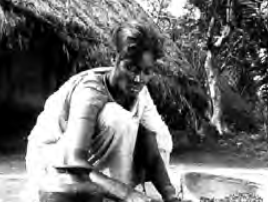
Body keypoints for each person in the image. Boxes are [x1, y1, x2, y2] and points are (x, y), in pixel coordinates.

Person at [24, 20, 179, 202]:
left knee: (159, 136)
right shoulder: (90, 90)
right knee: (117, 119)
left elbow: (152, 145)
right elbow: (74, 160)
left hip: (87, 166)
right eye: (131, 68)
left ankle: (110, 190)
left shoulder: (139, 91)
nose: (138, 79)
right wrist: (127, 194)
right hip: (53, 163)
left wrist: (171, 195)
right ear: (116, 59)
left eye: (147, 72)